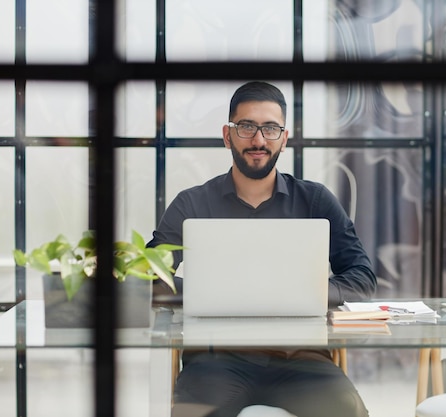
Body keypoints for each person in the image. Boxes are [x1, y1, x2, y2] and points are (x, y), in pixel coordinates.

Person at [147, 81, 377, 417]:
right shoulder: (192, 204)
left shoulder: (315, 201)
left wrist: (305, 294)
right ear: (227, 136)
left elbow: (363, 279)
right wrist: (209, 295)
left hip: (302, 361)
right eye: (246, 127)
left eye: (270, 129)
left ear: (284, 139)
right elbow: (149, 277)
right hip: (215, 362)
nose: (258, 140)